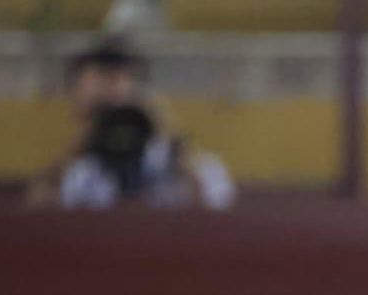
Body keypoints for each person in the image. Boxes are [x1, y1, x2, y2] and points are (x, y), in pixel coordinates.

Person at [27, 39, 235, 211]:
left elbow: (211, 207)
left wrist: (165, 130)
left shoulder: (189, 165)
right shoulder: (79, 170)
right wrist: (84, 143)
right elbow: (38, 211)